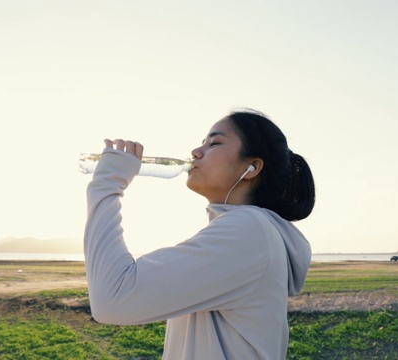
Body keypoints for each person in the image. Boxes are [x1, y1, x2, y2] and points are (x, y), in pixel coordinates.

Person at [83, 109, 315, 359]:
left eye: (214, 143)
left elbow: (113, 298)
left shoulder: (249, 230)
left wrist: (107, 185)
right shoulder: (251, 231)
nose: (196, 152)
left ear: (252, 167)